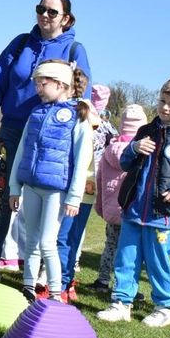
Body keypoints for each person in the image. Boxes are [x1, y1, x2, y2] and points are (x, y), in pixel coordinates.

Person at [0, 0, 92, 281]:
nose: (45, 15)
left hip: (52, 135)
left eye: (52, 11)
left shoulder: (74, 50)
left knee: (49, 199)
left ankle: (43, 267)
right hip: (14, 129)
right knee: (2, 195)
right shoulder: (21, 43)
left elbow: (83, 97)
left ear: (66, 19)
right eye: (41, 9)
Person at [98, 77, 170, 327]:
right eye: (162, 101)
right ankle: (122, 303)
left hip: (161, 216)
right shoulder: (145, 131)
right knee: (126, 259)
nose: (165, 107)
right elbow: (125, 164)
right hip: (133, 211)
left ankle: (165, 307)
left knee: (158, 263)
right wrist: (134, 148)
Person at [8, 60, 91, 302]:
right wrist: (15, 187)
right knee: (31, 242)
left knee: (47, 243)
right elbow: (22, 151)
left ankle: (56, 293)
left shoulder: (78, 116)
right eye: (36, 84)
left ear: (60, 84)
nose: (38, 89)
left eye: (42, 83)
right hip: (31, 186)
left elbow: (82, 160)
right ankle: (27, 289)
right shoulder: (36, 113)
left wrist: (74, 197)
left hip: (56, 191)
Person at [57, 83, 115, 300]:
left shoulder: (95, 122)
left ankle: (63, 282)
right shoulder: (71, 114)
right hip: (74, 184)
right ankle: (62, 281)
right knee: (66, 236)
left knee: (66, 236)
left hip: (82, 187)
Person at [92, 103, 147, 292]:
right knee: (130, 249)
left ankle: (102, 280)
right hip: (132, 210)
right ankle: (123, 285)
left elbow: (100, 179)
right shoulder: (141, 152)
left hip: (112, 210)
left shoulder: (109, 150)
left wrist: (100, 205)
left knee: (110, 245)